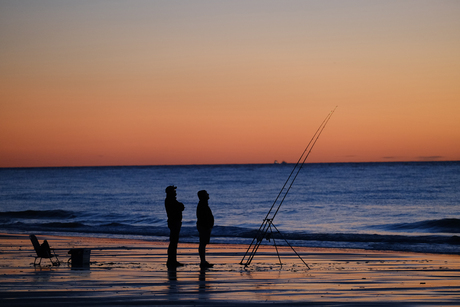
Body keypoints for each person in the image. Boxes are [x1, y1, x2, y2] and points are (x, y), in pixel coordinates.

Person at [165, 185, 185, 268]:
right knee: (173, 242)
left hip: (174, 222)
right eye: (174, 191)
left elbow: (181, 207)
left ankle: (172, 260)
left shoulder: (170, 200)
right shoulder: (170, 200)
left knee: (173, 242)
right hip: (174, 222)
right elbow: (180, 207)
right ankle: (171, 260)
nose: (175, 192)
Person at [196, 190, 214, 268]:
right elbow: (203, 217)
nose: (208, 194)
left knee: (203, 243)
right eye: (206, 194)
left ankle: (203, 261)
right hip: (204, 226)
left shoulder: (203, 204)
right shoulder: (202, 205)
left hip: (204, 226)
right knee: (203, 243)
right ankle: (203, 261)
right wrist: (207, 225)